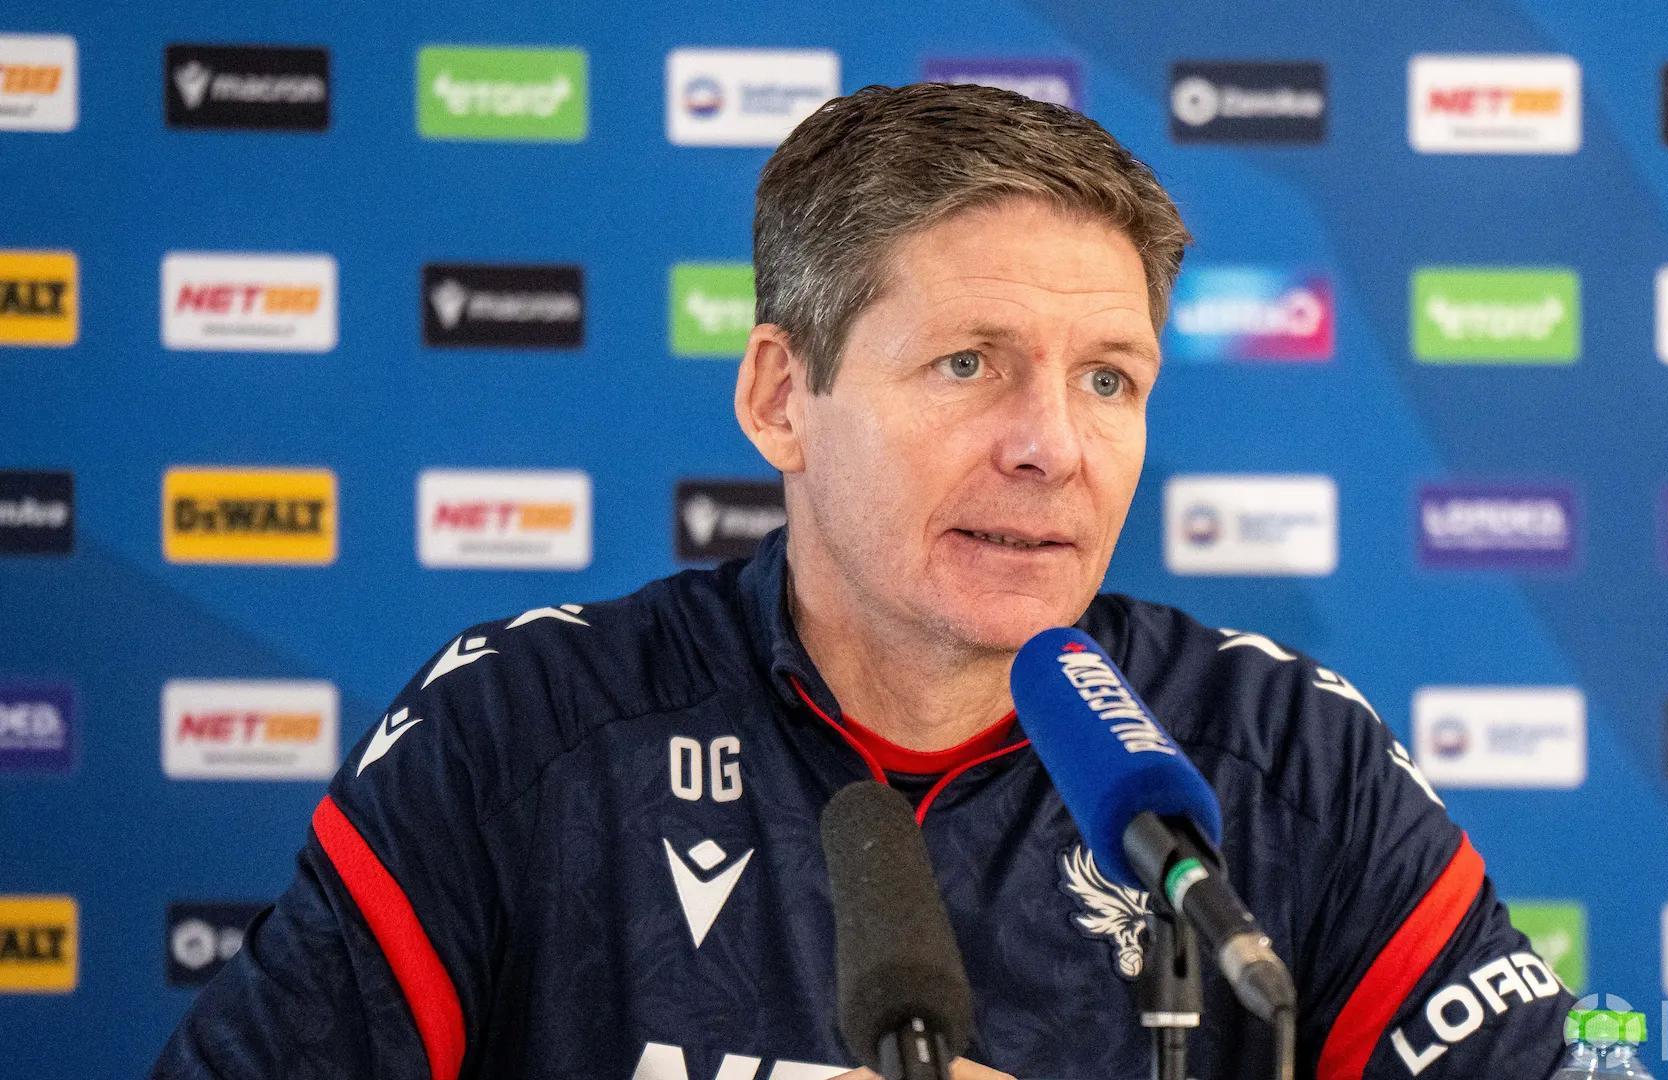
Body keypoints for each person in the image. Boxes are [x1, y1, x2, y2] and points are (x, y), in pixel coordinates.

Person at [153, 82, 1572, 1080]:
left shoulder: (1283, 762)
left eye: (1108, 380)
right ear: (782, 398)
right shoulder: (525, 734)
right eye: (968, 363)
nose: (1051, 448)